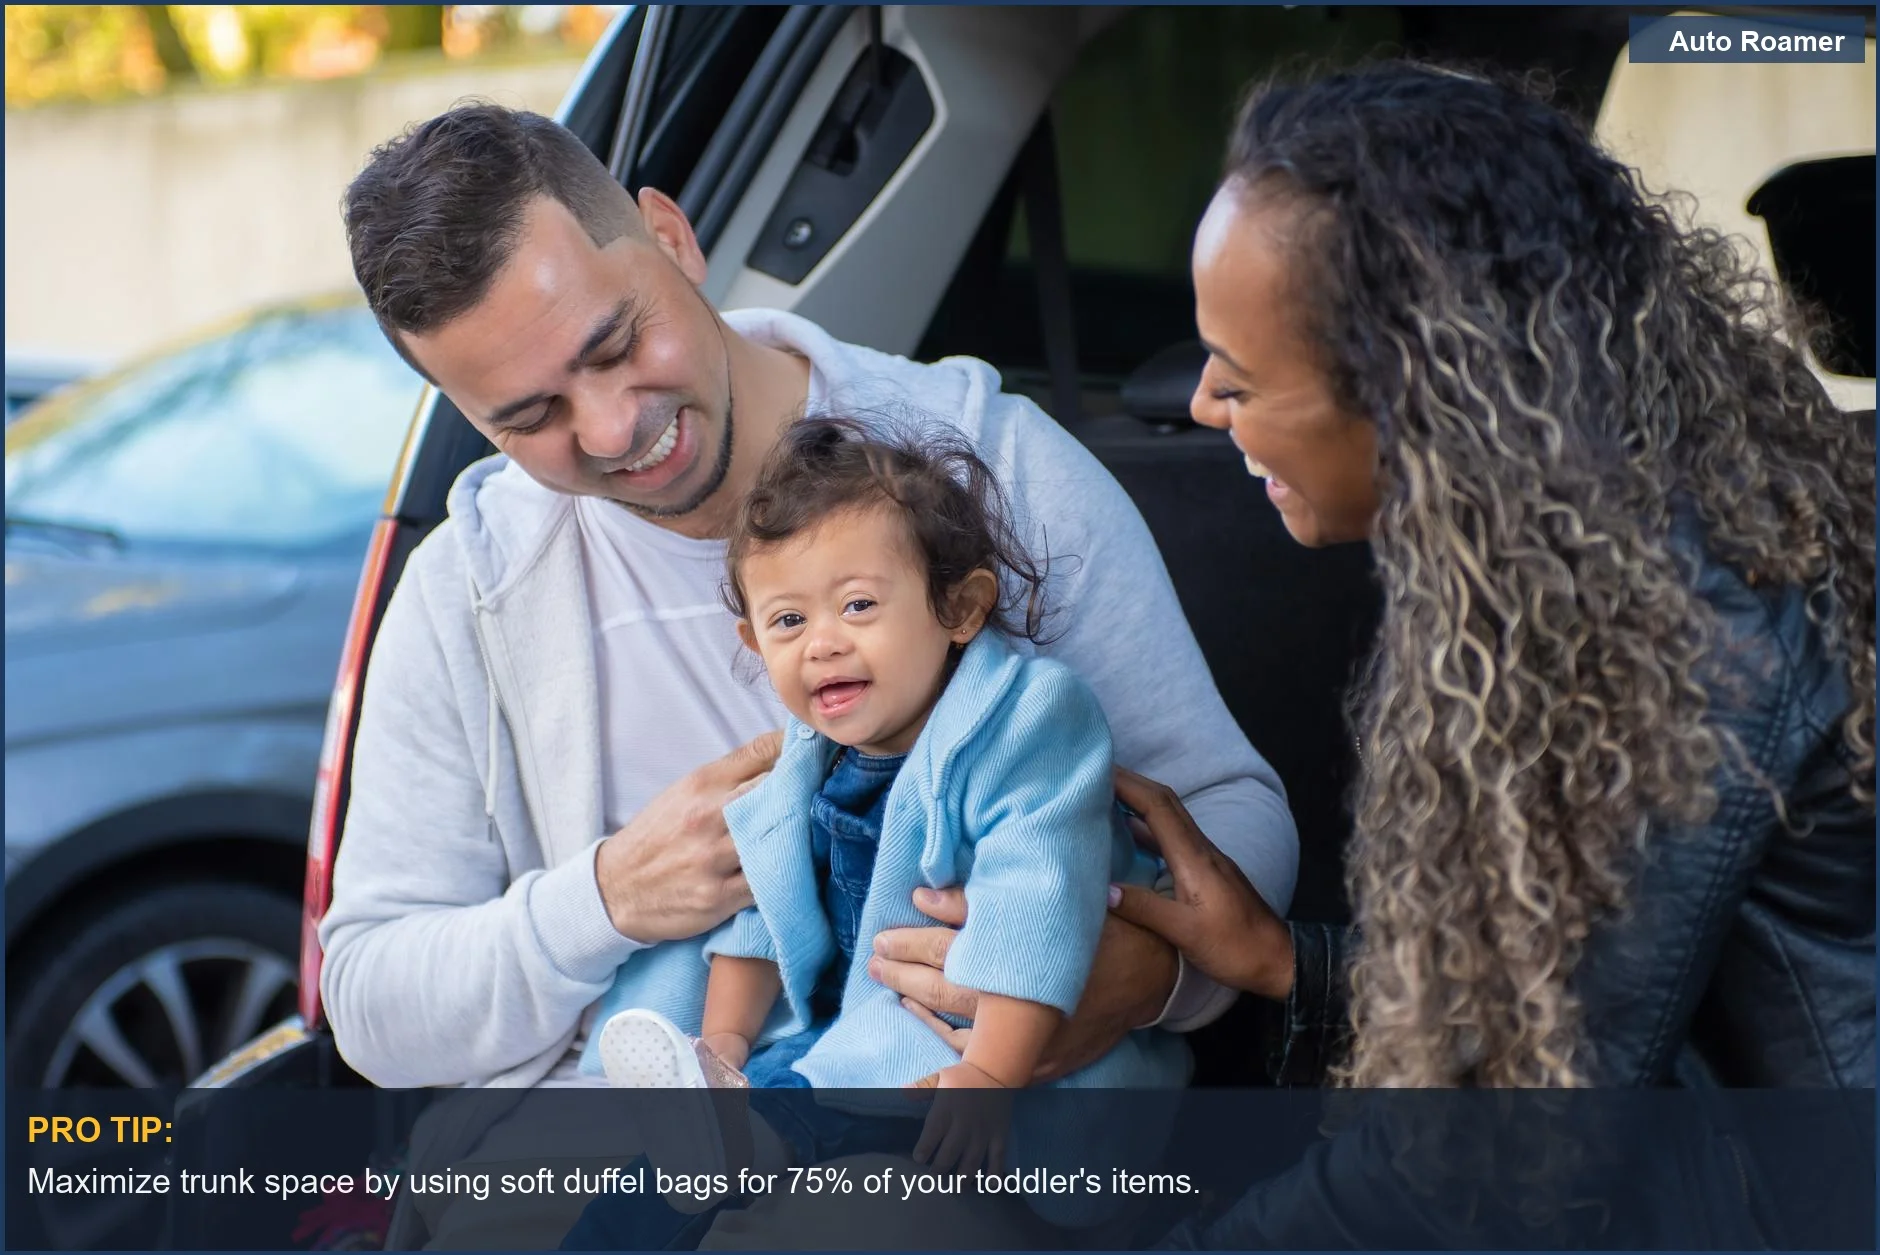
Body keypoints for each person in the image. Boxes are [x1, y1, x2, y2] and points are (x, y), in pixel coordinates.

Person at [318, 102, 1297, 1101]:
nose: (611, 430)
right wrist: (608, 897)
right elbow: (369, 1002)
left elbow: (1225, 812)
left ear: (671, 237)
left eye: (614, 347)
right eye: (531, 417)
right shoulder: (468, 588)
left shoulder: (993, 461)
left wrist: (1149, 978)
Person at [1063, 60, 1870, 1247]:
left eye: (1236, 378)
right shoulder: (1608, 544)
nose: (1199, 406)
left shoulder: (1662, 629)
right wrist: (1288, 965)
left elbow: (1485, 1155)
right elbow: (1575, 993)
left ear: (1418, 389)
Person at [559, 417, 1187, 1249]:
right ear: (753, 642)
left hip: (992, 1063)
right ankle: (712, 1125)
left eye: (858, 605)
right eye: (788, 622)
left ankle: (731, 1145)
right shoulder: (811, 756)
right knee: (681, 1170)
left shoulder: (1026, 723)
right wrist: (723, 1050)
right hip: (855, 1040)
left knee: (761, 1140)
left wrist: (991, 1073)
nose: (822, 643)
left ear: (958, 607)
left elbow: (1037, 903)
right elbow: (766, 907)